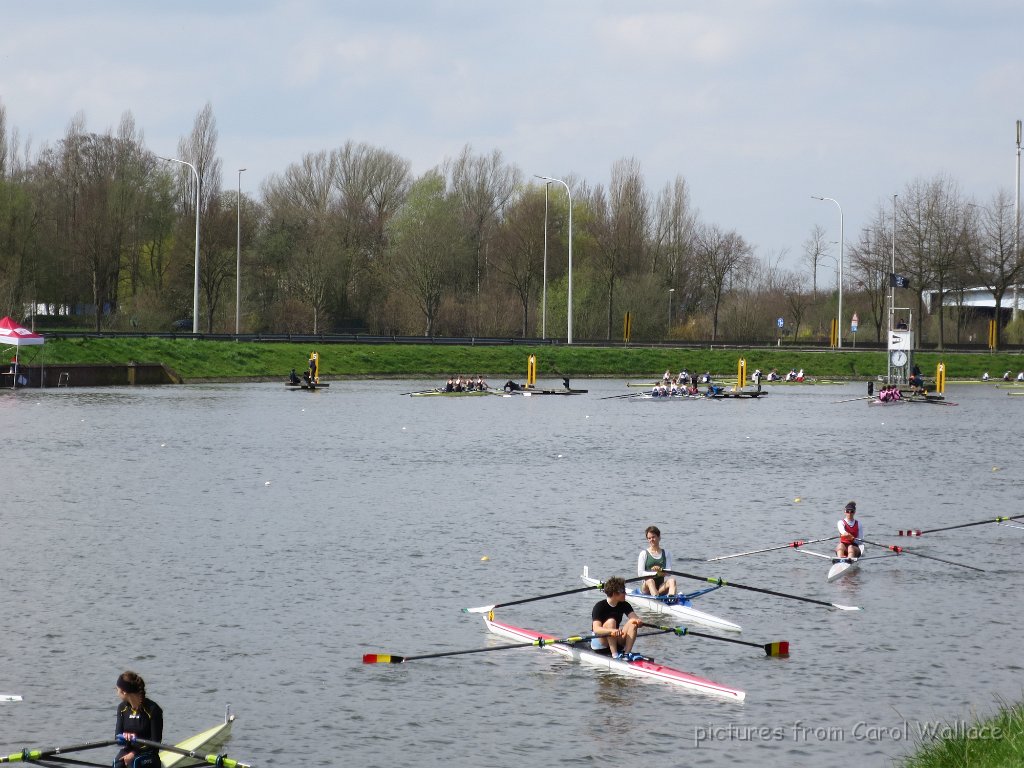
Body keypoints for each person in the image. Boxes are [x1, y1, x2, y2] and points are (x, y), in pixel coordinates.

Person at [114, 671, 163, 768]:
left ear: (124, 692)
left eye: (117, 690)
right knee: (117, 763)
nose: (116, 693)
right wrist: (124, 736)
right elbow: (117, 738)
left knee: (135, 762)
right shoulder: (122, 708)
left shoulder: (153, 709)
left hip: (149, 753)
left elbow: (155, 742)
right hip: (129, 749)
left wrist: (134, 753)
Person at [591, 576, 643, 660]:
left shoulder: (624, 604)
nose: (625, 593)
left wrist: (638, 621)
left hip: (615, 638)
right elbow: (596, 629)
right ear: (614, 593)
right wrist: (611, 631)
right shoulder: (599, 606)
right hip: (601, 644)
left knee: (633, 622)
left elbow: (634, 618)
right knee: (611, 621)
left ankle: (626, 654)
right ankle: (615, 655)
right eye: (623, 591)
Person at [638, 525, 676, 599]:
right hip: (647, 588)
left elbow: (669, 572)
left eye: (653, 537)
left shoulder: (666, 553)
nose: (651, 540)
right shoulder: (644, 553)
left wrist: (660, 570)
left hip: (660, 587)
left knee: (672, 580)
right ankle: (656, 599)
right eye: (649, 538)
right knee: (650, 581)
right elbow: (640, 573)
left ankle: (672, 599)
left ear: (659, 537)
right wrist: (655, 573)